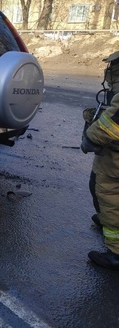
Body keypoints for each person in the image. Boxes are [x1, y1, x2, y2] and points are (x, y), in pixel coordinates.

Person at [81, 91, 119, 270]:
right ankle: (107, 218)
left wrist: (90, 138)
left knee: (106, 195)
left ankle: (116, 254)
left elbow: (114, 123)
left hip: (114, 160)